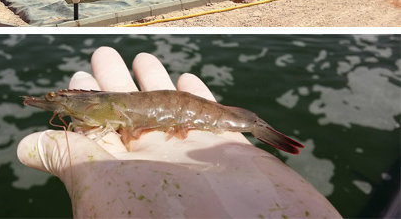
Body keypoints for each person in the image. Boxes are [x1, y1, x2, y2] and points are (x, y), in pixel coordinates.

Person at [17, 47, 341, 218]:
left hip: (186, 111)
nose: (53, 101)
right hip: (165, 109)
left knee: (238, 119)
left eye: (53, 98)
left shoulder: (98, 108)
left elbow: (111, 117)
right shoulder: (92, 104)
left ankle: (251, 124)